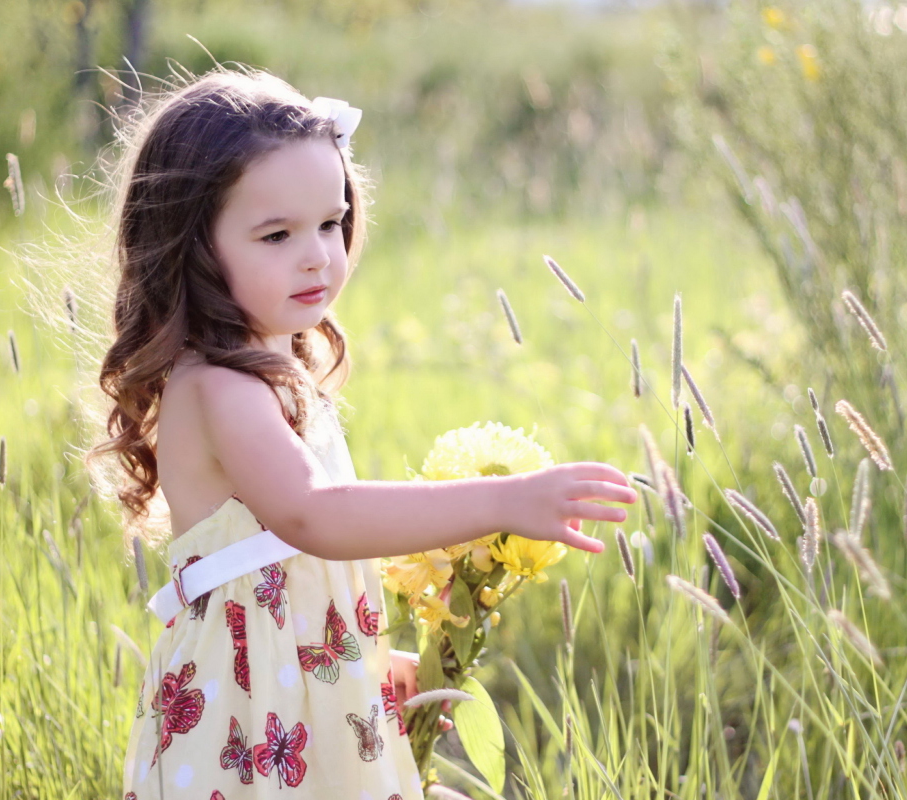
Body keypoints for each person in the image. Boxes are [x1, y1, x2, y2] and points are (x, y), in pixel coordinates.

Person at [90, 65, 637, 800]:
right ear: (193, 247)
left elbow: (289, 569)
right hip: (247, 712)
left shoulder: (275, 368)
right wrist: (504, 501)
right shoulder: (218, 388)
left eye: (330, 221)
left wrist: (364, 661)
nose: (318, 253)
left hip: (301, 687)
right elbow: (316, 516)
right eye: (278, 234)